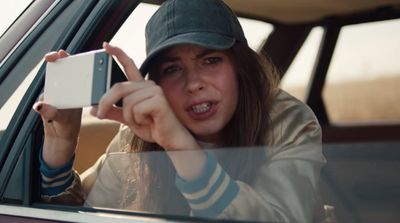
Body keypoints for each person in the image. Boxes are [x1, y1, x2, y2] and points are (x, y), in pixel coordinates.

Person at [33, 0, 326, 222]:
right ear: (156, 83)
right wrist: (60, 148)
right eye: (172, 69)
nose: (193, 83)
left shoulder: (287, 120)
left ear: (241, 67)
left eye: (210, 60)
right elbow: (89, 214)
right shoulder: (137, 135)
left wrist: (178, 146)